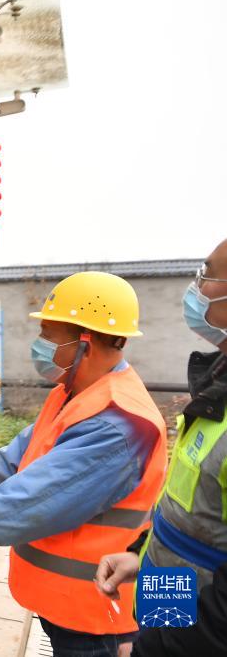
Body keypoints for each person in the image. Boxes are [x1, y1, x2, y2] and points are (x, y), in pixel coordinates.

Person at [0, 271, 167, 656]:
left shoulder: (119, 422)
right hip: (68, 601)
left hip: (99, 613)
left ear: (85, 342)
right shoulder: (74, 392)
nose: (39, 344)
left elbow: (42, 494)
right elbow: (19, 454)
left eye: (48, 334)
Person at [94, 240, 227, 656]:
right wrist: (142, 555)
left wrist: (161, 645)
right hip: (172, 590)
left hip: (196, 634)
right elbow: (194, 510)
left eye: (207, 275)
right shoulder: (217, 383)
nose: (196, 286)